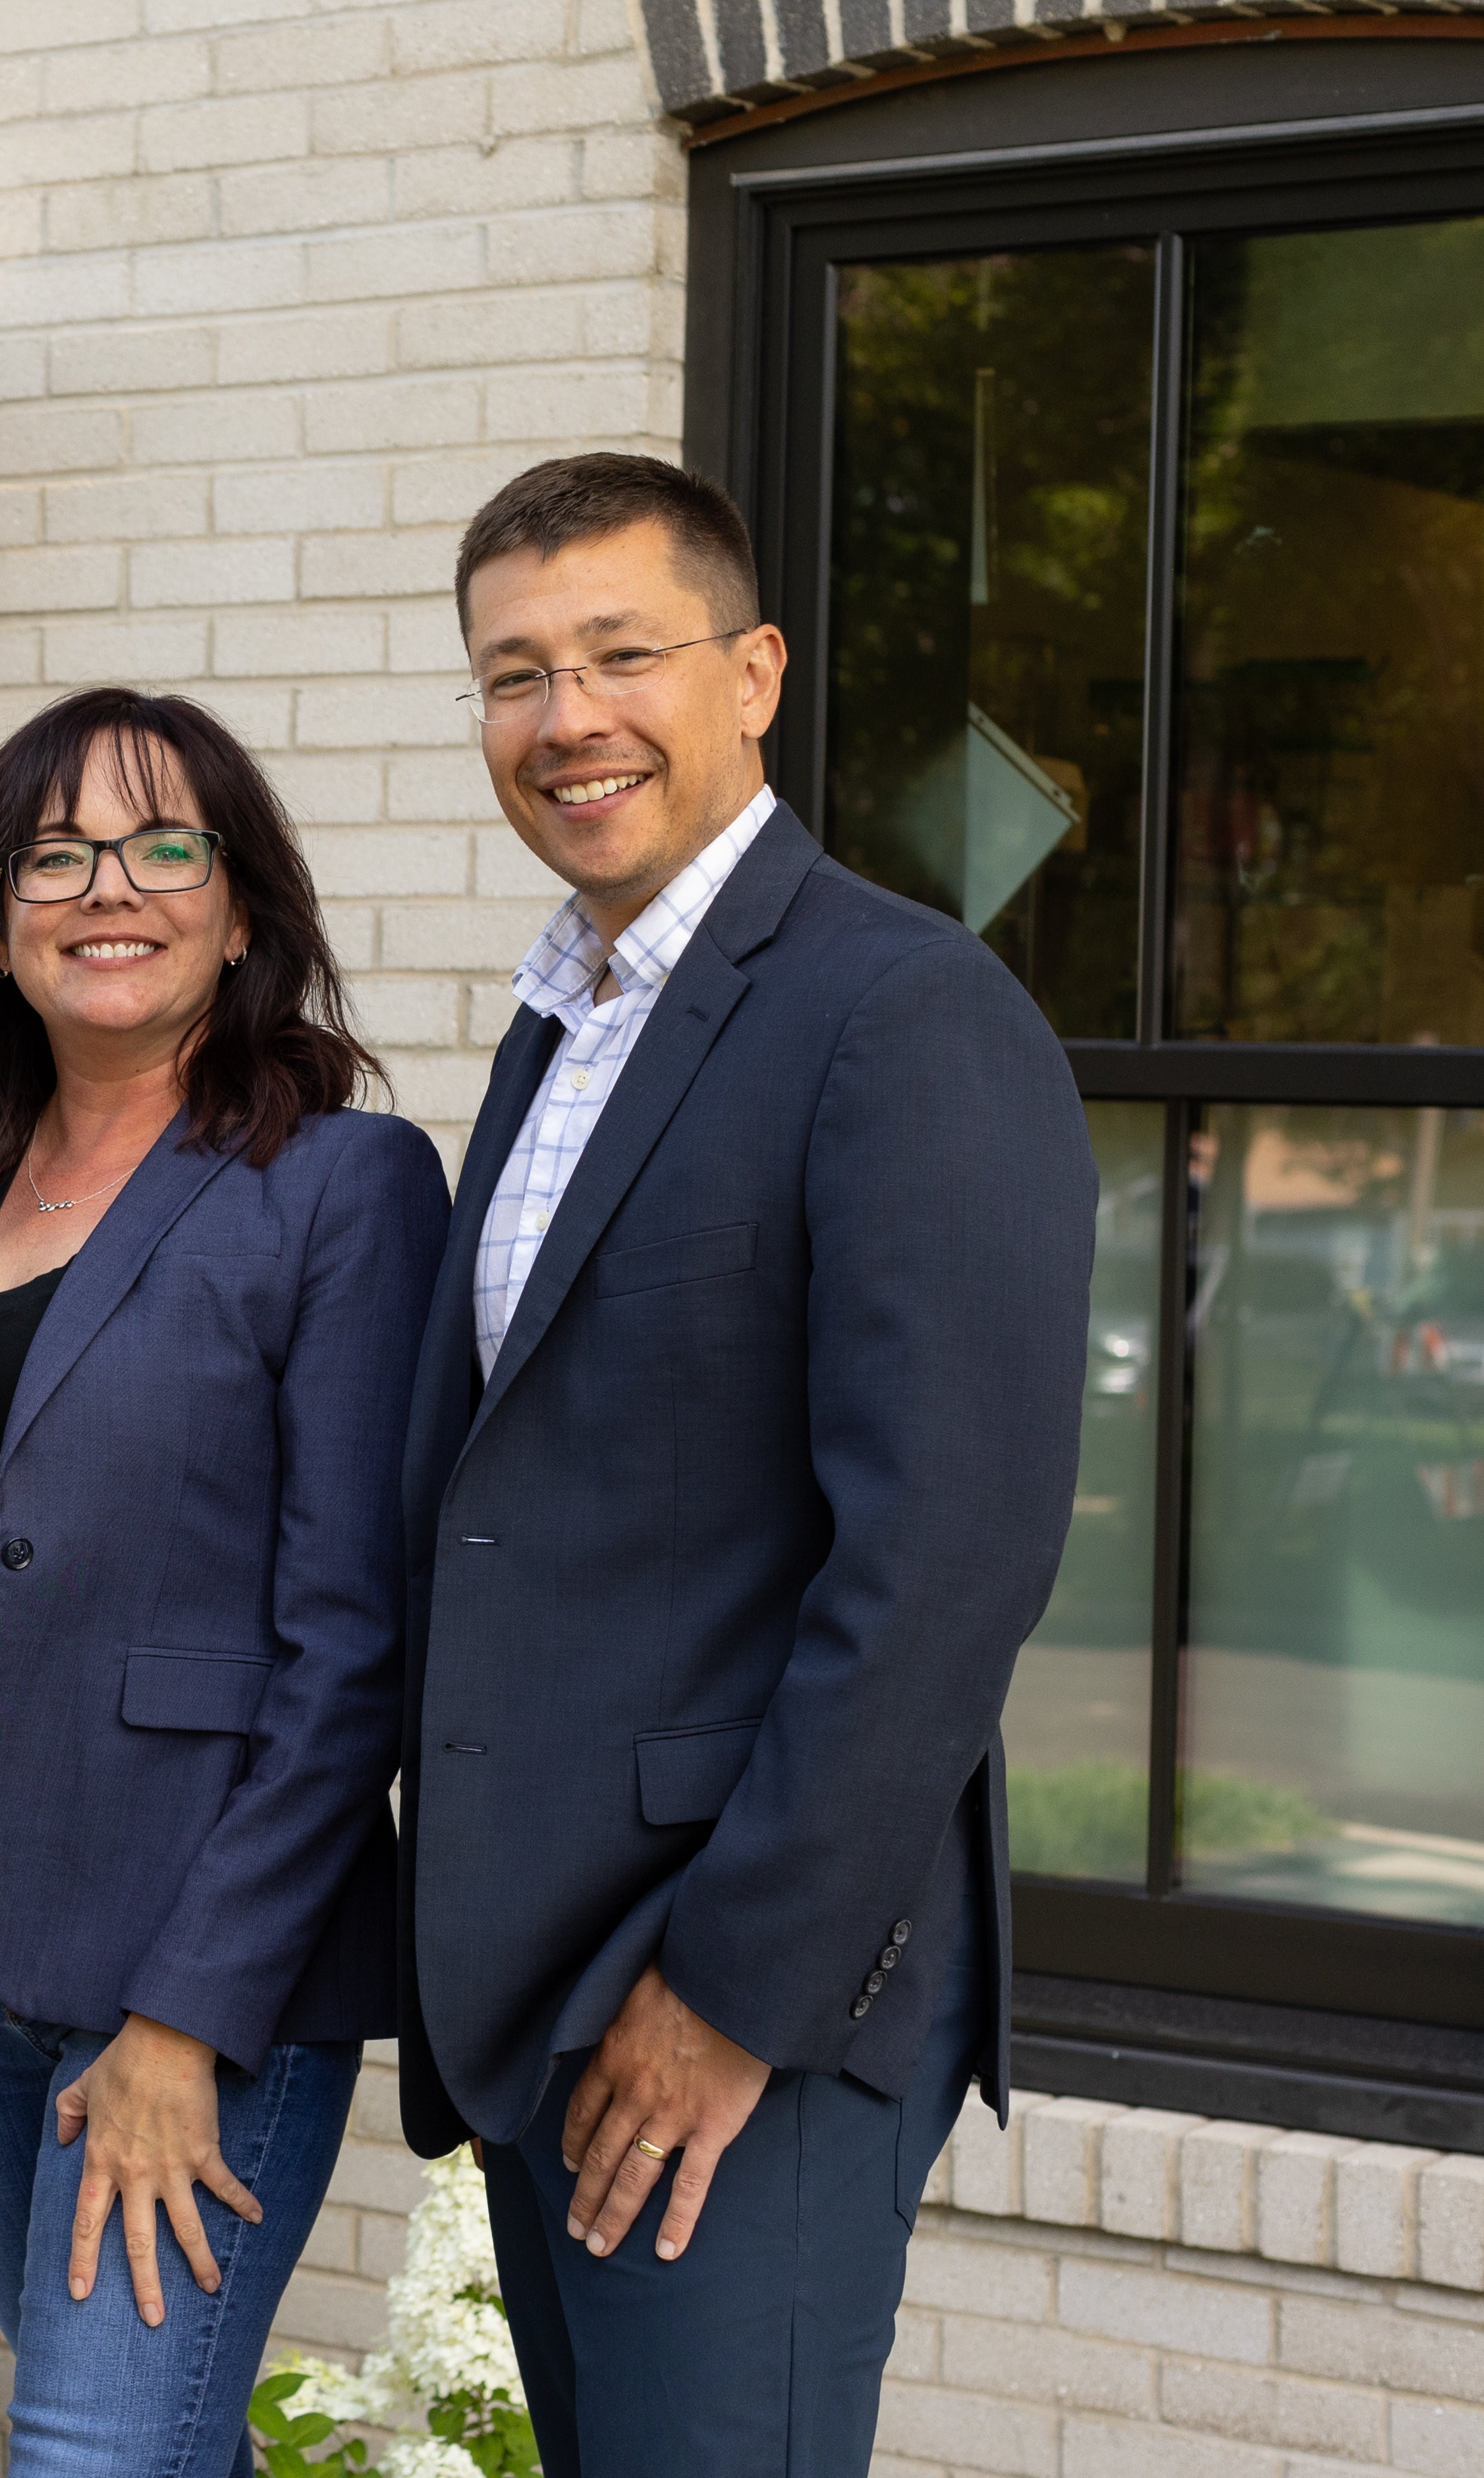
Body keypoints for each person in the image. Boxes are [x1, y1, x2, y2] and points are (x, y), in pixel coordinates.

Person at [394, 454, 1095, 2475]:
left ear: (753, 673)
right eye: (512, 676)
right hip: (549, 1988)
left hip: (737, 2000)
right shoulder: (567, 1022)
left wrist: (732, 1993)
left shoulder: (900, 1014)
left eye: (623, 654)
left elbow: (944, 1564)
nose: (566, 720)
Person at [0, 688, 445, 2477]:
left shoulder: (339, 1184)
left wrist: (188, 2016)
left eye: (162, 844)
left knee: (93, 2455)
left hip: (192, 1936)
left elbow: (350, 1643)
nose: (108, 886)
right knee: (140, 2434)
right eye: (55, 853)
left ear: (242, 904)